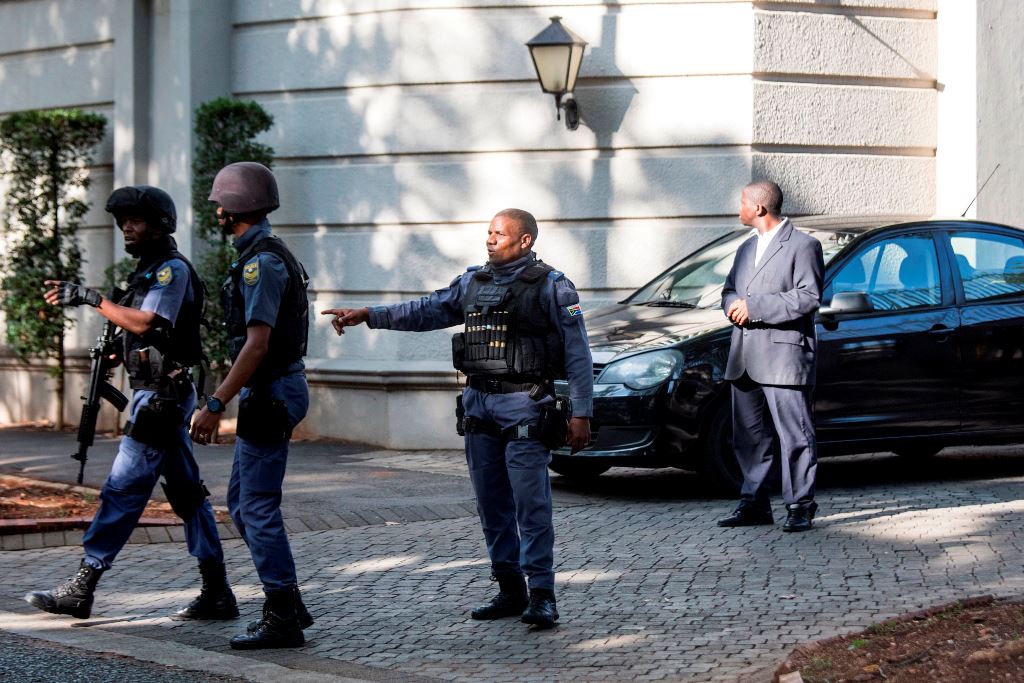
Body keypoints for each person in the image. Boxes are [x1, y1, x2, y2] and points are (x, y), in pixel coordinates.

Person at [322, 209, 593, 629]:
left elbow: (578, 355)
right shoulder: (472, 282)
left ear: (525, 241)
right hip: (479, 405)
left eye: (499, 234)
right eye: (488, 232)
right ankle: (509, 588)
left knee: (530, 505)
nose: (490, 239)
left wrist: (581, 413)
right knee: (491, 504)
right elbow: (426, 311)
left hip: (526, 405)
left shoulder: (553, 287)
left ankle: (542, 594)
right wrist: (369, 314)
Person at [26, 186, 237, 621]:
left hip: (162, 397)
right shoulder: (146, 273)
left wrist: (91, 298)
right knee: (188, 495)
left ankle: (83, 585)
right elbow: (144, 333)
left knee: (123, 489)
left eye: (136, 220)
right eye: (123, 220)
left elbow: (147, 320)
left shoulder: (169, 272)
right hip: (161, 394)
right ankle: (217, 591)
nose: (127, 227)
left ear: (160, 226)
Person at [189, 161, 312, 649]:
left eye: (220, 202)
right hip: (272, 388)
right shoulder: (257, 254)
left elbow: (257, 344)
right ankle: (291, 601)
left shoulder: (262, 261)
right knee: (242, 502)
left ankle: (282, 614)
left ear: (234, 207)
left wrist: (216, 400)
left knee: (257, 506)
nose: (216, 210)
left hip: (272, 389)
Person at [717, 180, 825, 532]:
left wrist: (755, 308)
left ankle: (800, 504)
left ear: (759, 208)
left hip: (784, 357)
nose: (739, 207)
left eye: (742, 201)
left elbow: (808, 297)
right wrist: (732, 304)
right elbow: (729, 289)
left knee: (795, 435)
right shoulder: (746, 248)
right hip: (745, 356)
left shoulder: (804, 245)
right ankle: (754, 503)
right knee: (748, 436)